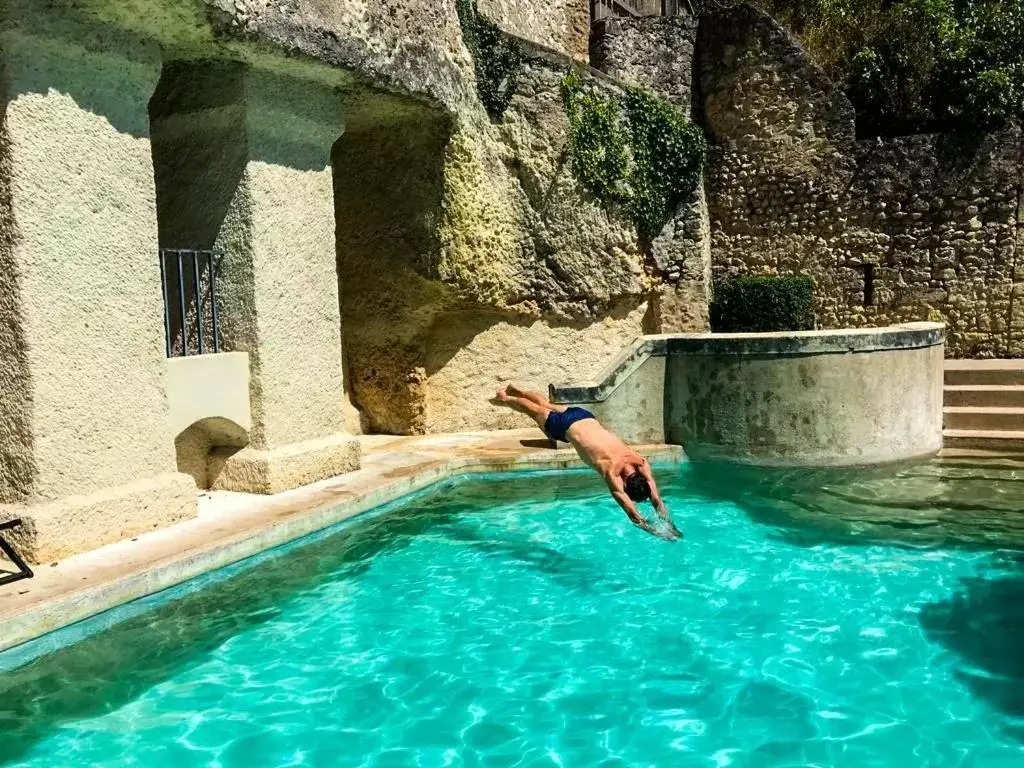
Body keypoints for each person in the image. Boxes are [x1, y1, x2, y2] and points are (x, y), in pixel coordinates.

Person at [492, 384, 682, 540]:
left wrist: (672, 527)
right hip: (565, 427)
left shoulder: (640, 462)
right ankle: (506, 398)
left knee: (545, 404)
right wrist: (658, 532)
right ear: (624, 485)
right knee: (533, 410)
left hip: (584, 416)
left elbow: (655, 498)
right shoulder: (611, 472)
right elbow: (634, 515)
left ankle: (517, 392)